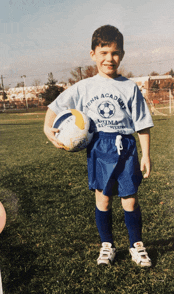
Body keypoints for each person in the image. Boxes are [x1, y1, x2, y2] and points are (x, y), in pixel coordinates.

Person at [44, 25, 154, 267]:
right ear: (93, 54)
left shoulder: (130, 87)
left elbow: (142, 123)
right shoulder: (84, 87)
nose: (109, 59)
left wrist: (146, 154)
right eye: (103, 53)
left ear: (122, 54)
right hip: (99, 147)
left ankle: (136, 245)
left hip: (126, 146)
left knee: (130, 200)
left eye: (114, 53)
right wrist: (47, 128)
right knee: (102, 200)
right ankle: (107, 245)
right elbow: (55, 106)